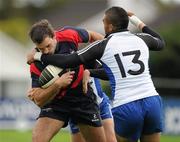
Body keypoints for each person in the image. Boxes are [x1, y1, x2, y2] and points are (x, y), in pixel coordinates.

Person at [29, 6, 165, 142]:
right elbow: (160, 42)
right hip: (152, 100)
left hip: (121, 105)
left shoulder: (104, 45)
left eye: (104, 21)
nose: (45, 51)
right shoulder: (141, 39)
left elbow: (69, 60)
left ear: (110, 27)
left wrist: (38, 56)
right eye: (41, 49)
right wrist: (136, 21)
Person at [26, 19, 107, 142]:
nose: (46, 51)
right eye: (41, 49)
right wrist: (57, 84)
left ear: (54, 36)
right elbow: (38, 100)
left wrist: (110, 49)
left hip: (82, 98)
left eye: (48, 46)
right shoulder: (35, 64)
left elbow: (92, 35)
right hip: (57, 103)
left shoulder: (69, 35)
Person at [69, 69, 117, 142]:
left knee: (111, 140)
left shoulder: (90, 58)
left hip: (101, 104)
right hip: (79, 108)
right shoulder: (67, 63)